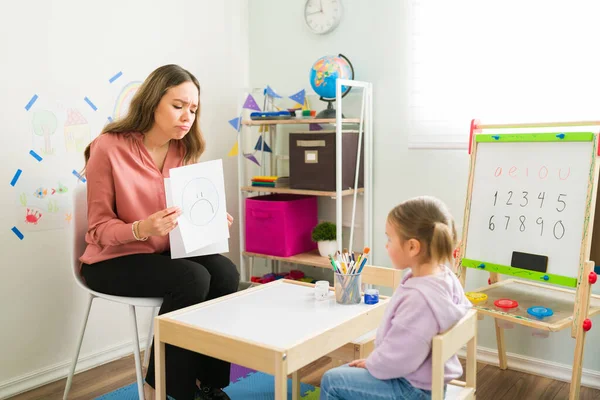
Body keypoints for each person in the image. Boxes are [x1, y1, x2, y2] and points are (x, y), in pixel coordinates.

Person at [80, 64, 239, 400]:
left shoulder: (183, 150)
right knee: (192, 278)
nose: (187, 116)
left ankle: (208, 385)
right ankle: (164, 389)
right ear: (153, 102)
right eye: (178, 106)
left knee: (226, 272)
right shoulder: (108, 147)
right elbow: (96, 230)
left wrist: (209, 222)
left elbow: (181, 219)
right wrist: (141, 228)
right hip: (110, 261)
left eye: (193, 109)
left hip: (161, 254)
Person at [320, 196, 472, 400]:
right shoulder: (443, 276)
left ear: (412, 247)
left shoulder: (420, 299)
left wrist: (374, 363)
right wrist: (376, 362)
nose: (386, 246)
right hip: (423, 380)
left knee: (331, 381)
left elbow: (403, 356)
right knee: (349, 369)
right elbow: (404, 349)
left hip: (411, 389)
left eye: (390, 239)